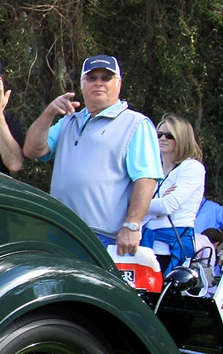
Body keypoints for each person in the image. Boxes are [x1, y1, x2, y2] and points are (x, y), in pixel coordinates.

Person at [23, 54, 160, 254]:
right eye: (92, 78)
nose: (99, 83)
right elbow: (32, 150)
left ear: (118, 84)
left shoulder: (136, 124)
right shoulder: (69, 121)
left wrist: (132, 225)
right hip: (61, 230)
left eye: (106, 77)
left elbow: (146, 178)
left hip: (103, 237)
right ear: (82, 84)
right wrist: (49, 112)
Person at [141, 114, 204, 270]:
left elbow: (167, 206)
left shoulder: (191, 167)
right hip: (145, 246)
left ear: (182, 138)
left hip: (171, 248)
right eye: (159, 135)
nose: (162, 139)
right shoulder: (153, 171)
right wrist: (152, 205)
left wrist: (138, 204)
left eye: (170, 136)